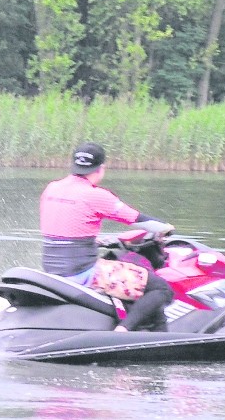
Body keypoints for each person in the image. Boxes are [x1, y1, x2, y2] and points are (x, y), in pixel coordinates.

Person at [40, 141, 175, 332]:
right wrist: (165, 227)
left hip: (52, 268)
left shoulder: (51, 188)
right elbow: (136, 219)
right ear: (101, 168)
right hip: (82, 273)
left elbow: (66, 228)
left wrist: (96, 241)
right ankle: (123, 330)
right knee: (161, 288)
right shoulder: (96, 195)